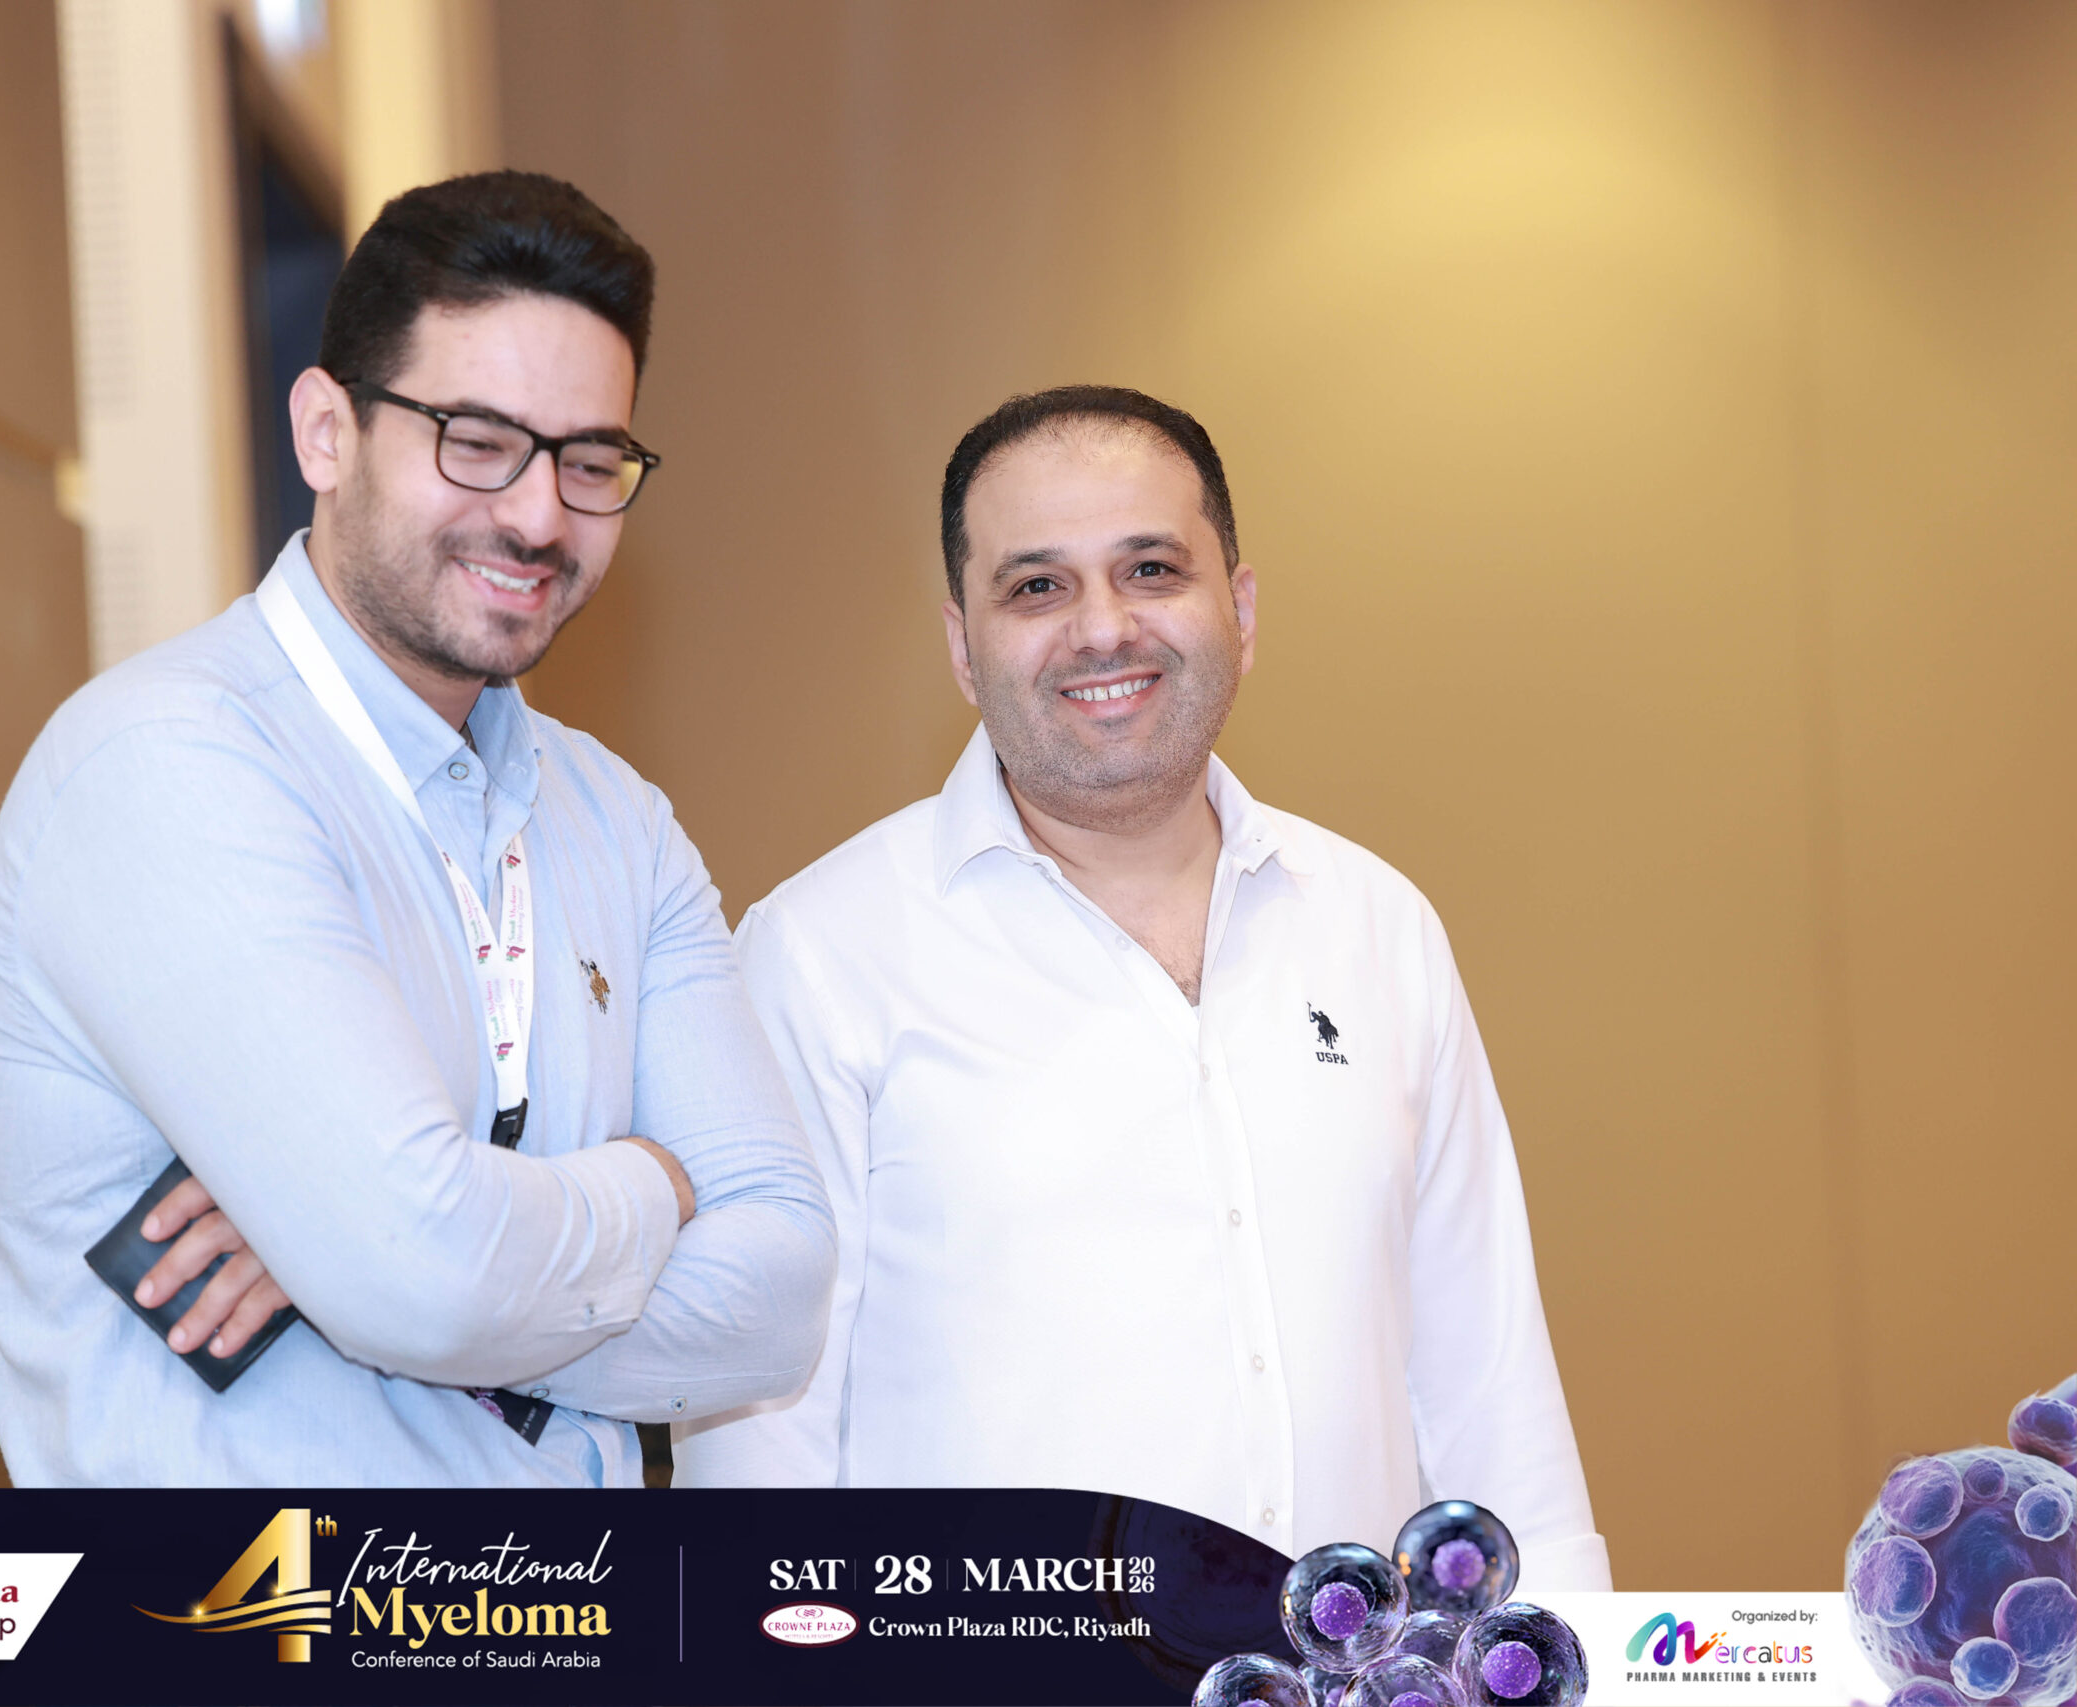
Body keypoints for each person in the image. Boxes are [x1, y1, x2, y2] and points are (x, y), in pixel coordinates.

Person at [0, 172, 834, 1486]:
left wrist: (392, 1266)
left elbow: (779, 1294)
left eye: (589, 461)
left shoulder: (621, 821)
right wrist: (655, 1183)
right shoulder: (168, 762)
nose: (538, 515)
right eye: (476, 441)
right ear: (327, 431)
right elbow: (420, 1271)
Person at [672, 386, 1612, 1588]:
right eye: (1036, 586)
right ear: (962, 646)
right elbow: (760, 1450)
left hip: (1349, 1667)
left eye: (1151, 570)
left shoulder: (1378, 927)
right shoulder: (821, 954)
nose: (1102, 629)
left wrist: (1558, 1643)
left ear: (1241, 610)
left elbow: (1488, 1393)